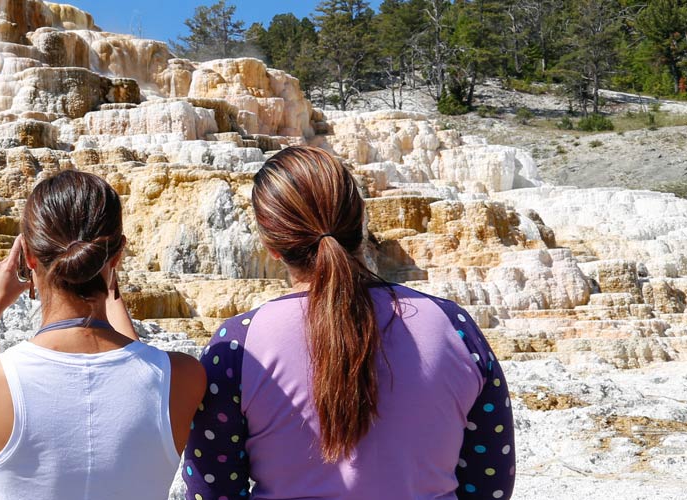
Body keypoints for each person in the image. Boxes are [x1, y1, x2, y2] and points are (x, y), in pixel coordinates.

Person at [182, 146, 516, 500]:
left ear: (271, 245)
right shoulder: (455, 327)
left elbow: (213, 490)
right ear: (360, 223)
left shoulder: (238, 347)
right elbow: (490, 483)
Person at [0, 170, 207, 500]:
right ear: (117, 256)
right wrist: (109, 283)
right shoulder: (184, 377)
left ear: (27, 259)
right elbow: (139, 374)